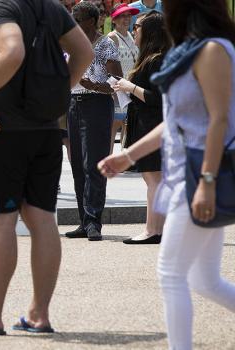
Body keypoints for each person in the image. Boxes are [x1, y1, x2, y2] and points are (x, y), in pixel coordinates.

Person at [0, 0, 93, 335]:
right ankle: (39, 315)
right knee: (42, 219)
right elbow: (84, 51)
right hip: (46, 128)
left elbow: (11, 51)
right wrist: (56, 91)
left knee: (0, 224)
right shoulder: (50, 7)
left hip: (2, 128)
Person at [98, 0, 235, 348]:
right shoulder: (191, 50)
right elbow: (175, 120)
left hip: (199, 174)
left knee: (171, 273)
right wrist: (128, 154)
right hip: (185, 173)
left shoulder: (213, 50)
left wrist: (206, 182)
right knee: (204, 280)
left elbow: (219, 120)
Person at [64, 1, 122, 241]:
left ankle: (93, 221)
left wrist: (97, 86)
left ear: (91, 20)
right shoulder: (71, 44)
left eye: (77, 20)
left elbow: (117, 77)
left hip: (96, 105)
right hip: (73, 103)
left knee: (93, 165)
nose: (73, 24)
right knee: (77, 163)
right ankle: (82, 220)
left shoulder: (105, 44)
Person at [112, 11, 169, 244]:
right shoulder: (151, 57)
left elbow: (157, 97)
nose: (134, 30)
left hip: (152, 125)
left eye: (138, 27)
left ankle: (152, 230)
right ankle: (157, 229)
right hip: (146, 123)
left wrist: (129, 86)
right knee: (154, 179)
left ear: (150, 32)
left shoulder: (156, 59)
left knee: (153, 179)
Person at [107, 3, 139, 153]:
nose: (126, 19)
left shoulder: (132, 36)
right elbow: (106, 65)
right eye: (122, 16)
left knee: (127, 123)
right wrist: (114, 90)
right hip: (117, 87)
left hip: (130, 86)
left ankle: (124, 158)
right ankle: (107, 157)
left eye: (128, 15)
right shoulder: (112, 38)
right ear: (114, 19)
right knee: (115, 124)